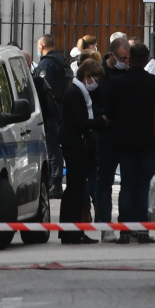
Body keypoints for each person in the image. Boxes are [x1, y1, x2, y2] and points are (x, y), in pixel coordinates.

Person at [96, 43, 155, 243]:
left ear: (130, 59)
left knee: (127, 184)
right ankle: (142, 229)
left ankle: (124, 229)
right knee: (144, 185)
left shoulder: (118, 83)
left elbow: (110, 113)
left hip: (124, 141)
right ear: (148, 60)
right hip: (148, 141)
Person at [57, 58, 104, 242]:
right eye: (95, 79)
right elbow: (80, 123)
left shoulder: (78, 90)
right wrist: (100, 122)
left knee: (74, 189)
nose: (96, 84)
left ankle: (70, 230)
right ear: (87, 76)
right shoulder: (75, 92)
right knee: (75, 189)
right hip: (74, 144)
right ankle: (72, 232)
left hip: (76, 144)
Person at [32, 34, 72, 200]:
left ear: (41, 45)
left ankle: (55, 182)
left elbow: (43, 88)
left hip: (51, 111)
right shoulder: (62, 62)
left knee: (52, 146)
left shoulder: (46, 63)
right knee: (56, 145)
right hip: (62, 109)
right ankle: (55, 180)